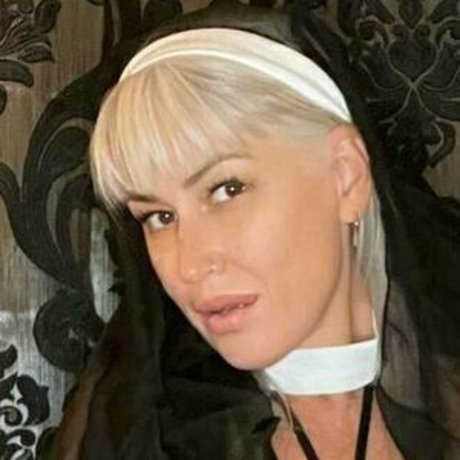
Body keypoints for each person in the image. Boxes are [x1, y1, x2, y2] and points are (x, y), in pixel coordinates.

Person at [49, 4, 460, 460]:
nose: (189, 264)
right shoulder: (150, 442)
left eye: (228, 189)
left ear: (346, 176)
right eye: (159, 217)